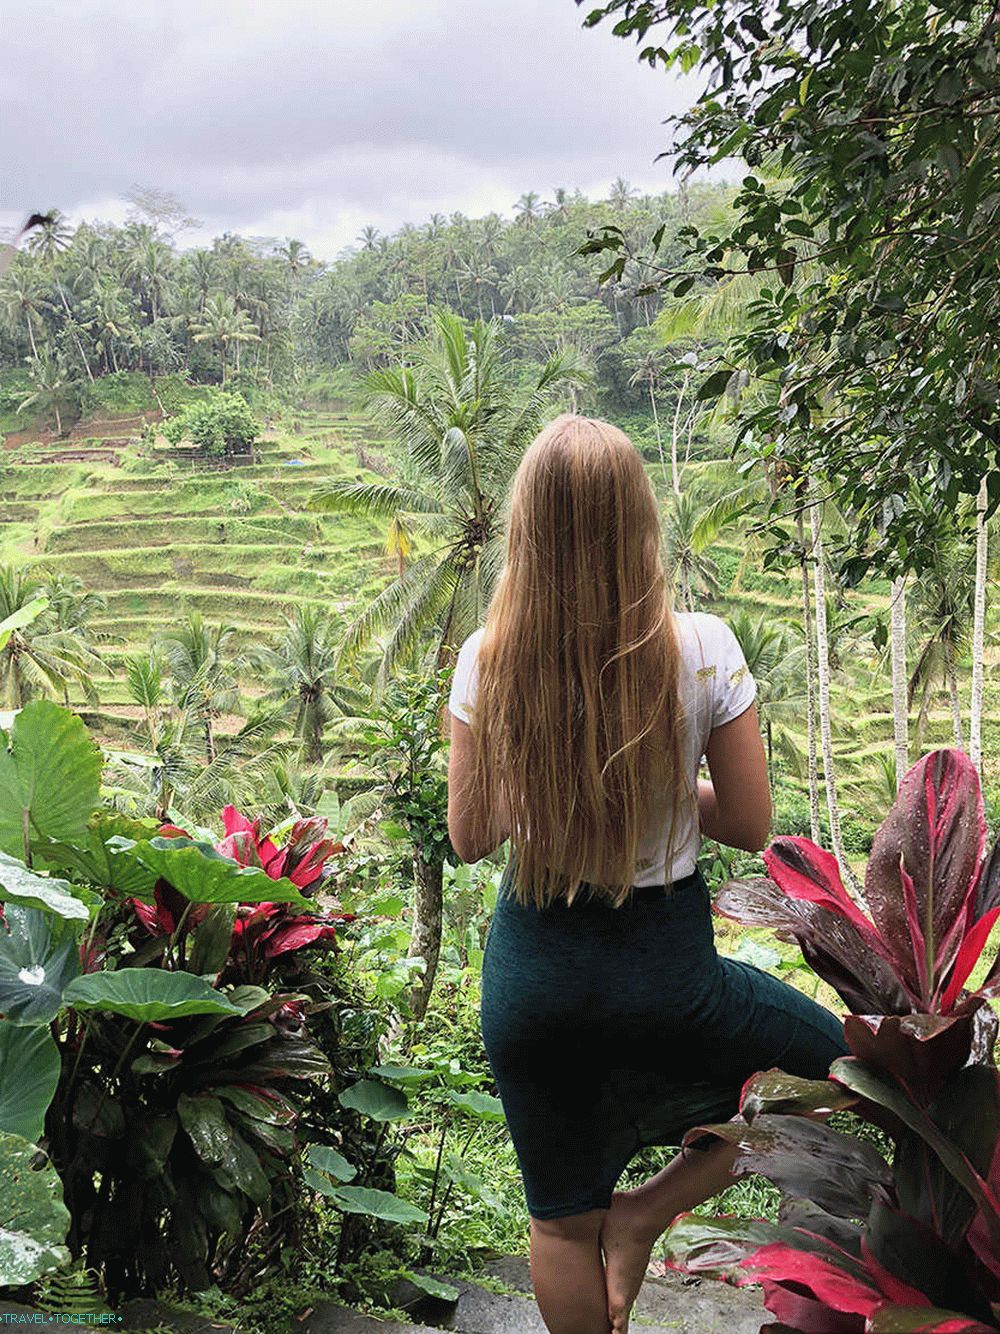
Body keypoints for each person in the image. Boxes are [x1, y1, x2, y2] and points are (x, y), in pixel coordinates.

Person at [446, 415, 847, 1334]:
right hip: (665, 973)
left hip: (534, 976)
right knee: (842, 1074)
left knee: (557, 1219)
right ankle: (649, 1212)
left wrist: (567, 789)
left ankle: (615, 1226)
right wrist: (661, 794)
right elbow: (748, 824)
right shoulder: (703, 647)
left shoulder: (487, 657)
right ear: (640, 520)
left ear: (525, 526)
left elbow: (470, 837)